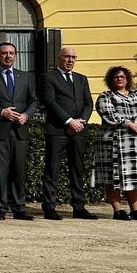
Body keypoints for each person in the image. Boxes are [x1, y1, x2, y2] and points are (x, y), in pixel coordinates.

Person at [0, 41, 38, 221]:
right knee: (0, 171)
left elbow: (34, 101)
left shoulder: (25, 76)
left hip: (20, 130)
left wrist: (26, 115)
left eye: (11, 53)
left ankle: (19, 208)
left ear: (16, 55)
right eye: (4, 53)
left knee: (19, 171)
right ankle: (0, 208)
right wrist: (1, 111)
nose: (8, 56)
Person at [39, 46, 97, 220]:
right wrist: (69, 121)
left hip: (78, 130)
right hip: (57, 130)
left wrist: (81, 122)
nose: (70, 60)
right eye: (66, 57)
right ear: (59, 58)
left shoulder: (81, 79)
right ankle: (49, 206)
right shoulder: (48, 77)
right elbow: (50, 102)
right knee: (52, 169)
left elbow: (88, 103)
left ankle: (79, 206)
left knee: (77, 168)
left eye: (73, 57)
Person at [95, 66, 137, 221]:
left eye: (122, 76)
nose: (120, 79)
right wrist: (129, 124)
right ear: (110, 80)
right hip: (114, 142)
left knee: (132, 178)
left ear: (127, 79)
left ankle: (135, 210)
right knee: (113, 178)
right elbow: (109, 114)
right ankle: (118, 211)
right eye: (116, 77)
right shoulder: (106, 96)